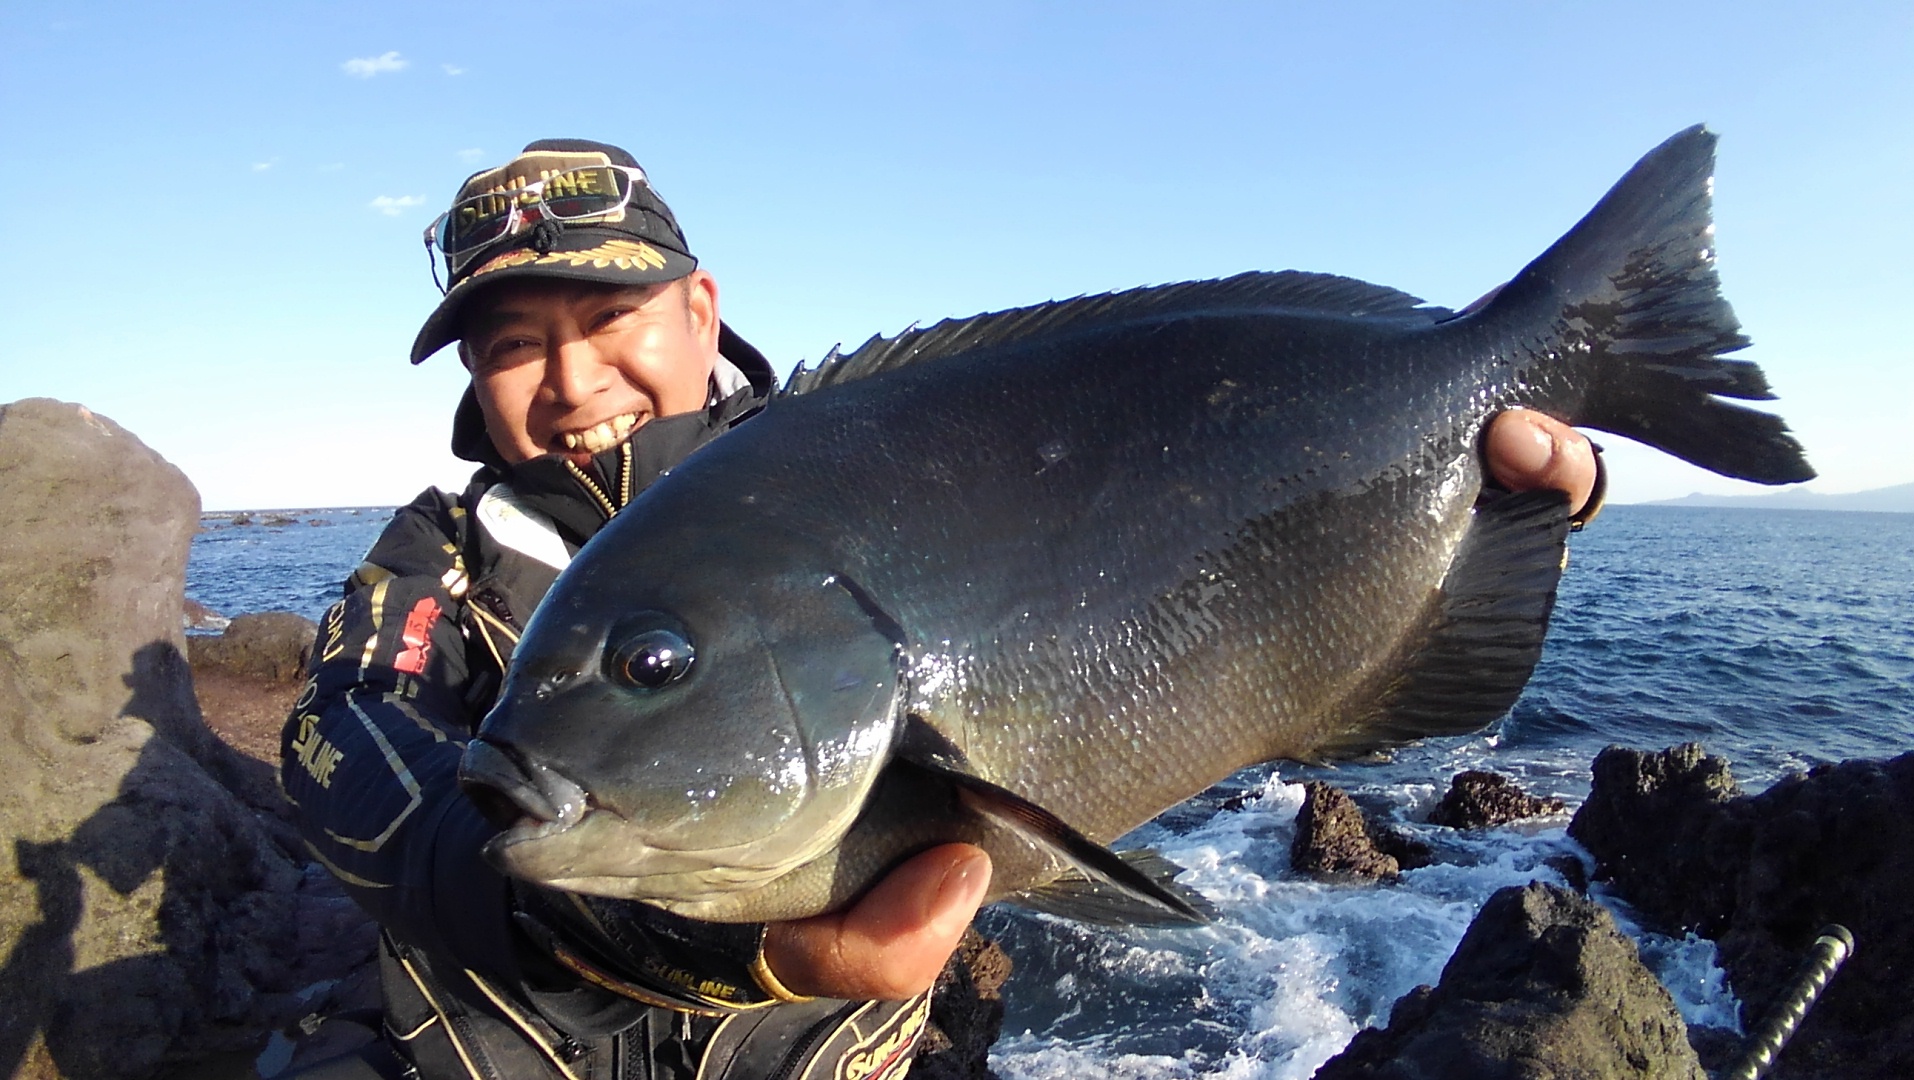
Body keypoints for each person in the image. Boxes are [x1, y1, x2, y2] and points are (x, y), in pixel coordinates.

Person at [280, 139, 1602, 1080]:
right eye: (512, 342)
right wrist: (748, 953)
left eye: (607, 312)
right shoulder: (427, 572)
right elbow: (376, 787)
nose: (570, 377)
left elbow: (1193, 512)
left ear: (698, 308)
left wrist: (1496, 513)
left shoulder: (868, 457)